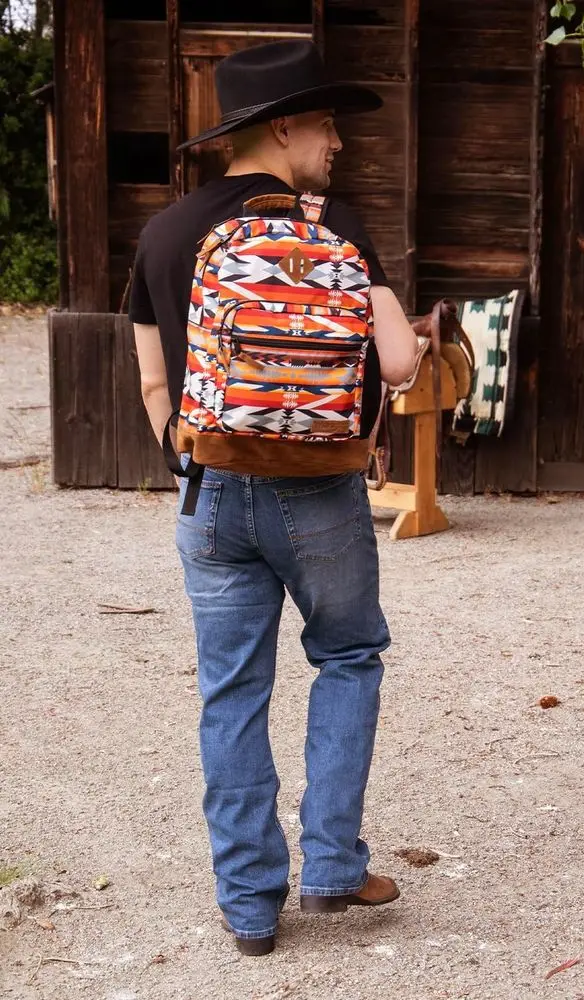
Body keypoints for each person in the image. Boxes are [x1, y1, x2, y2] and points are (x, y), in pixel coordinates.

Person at [129, 40, 419, 956]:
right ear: (283, 127)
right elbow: (396, 363)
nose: (337, 143)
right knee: (349, 657)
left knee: (231, 692)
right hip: (322, 494)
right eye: (327, 124)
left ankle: (252, 907)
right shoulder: (337, 232)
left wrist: (191, 452)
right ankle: (333, 867)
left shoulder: (165, 233)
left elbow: (151, 382)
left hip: (210, 488)